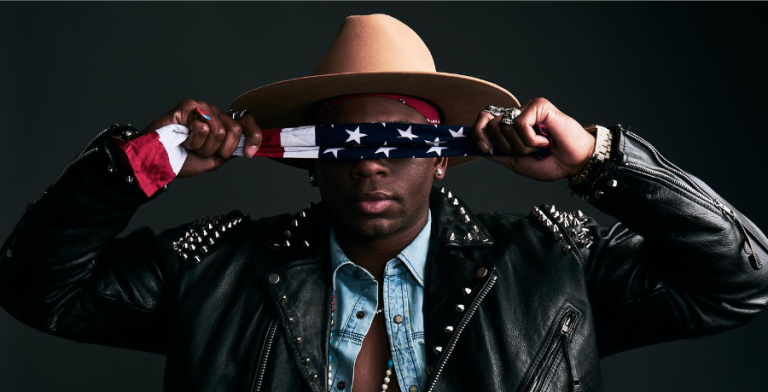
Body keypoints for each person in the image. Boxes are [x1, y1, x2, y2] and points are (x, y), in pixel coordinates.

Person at [1, 13, 767, 392]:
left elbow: (743, 280)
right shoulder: (219, 271)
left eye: (400, 142)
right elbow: (40, 291)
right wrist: (142, 163)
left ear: (443, 163)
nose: (371, 163)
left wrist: (599, 162)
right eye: (343, 142)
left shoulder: (553, 265)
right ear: (306, 160)